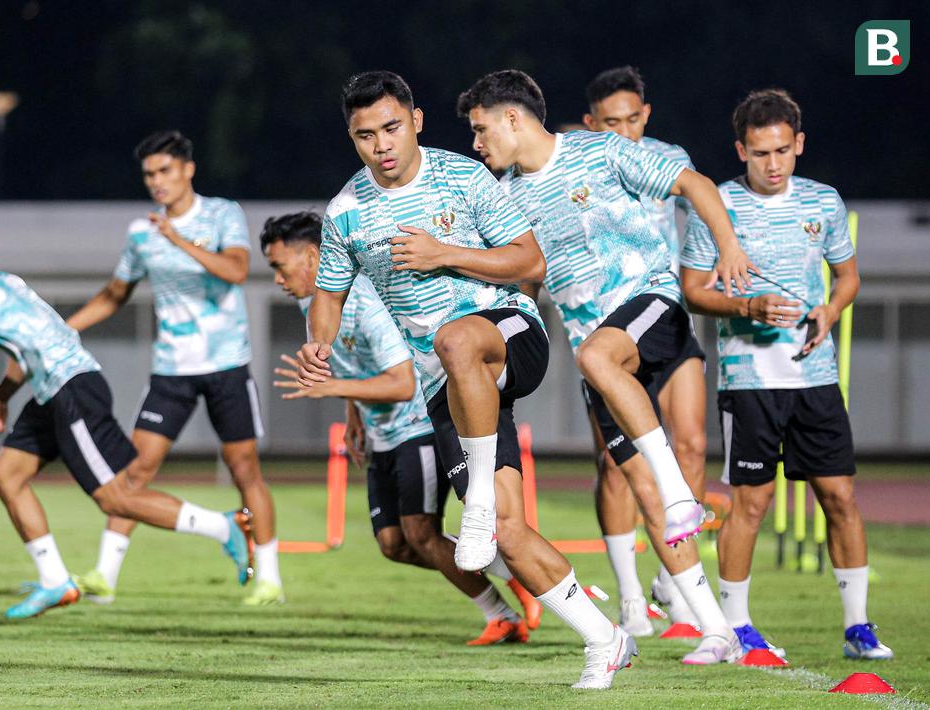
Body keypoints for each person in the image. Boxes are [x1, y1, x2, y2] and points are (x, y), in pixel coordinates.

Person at [298, 70, 635, 689]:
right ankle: (605, 639)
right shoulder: (345, 212)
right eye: (366, 135)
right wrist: (319, 341)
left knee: (454, 339)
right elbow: (329, 295)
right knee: (508, 533)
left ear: (416, 121)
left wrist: (443, 253)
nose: (382, 145)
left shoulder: (464, 176)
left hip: (508, 334)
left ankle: (474, 500)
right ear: (352, 138)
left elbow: (529, 260)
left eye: (391, 128)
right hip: (447, 386)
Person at [456, 68, 752, 664]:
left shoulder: (599, 151)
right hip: (597, 351)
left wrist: (729, 246)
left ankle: (681, 493)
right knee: (638, 486)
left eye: (481, 129)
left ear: (512, 118)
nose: (476, 143)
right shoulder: (504, 196)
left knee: (616, 376)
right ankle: (717, 630)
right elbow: (522, 279)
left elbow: (693, 183)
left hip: (651, 306)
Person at [0, 212, 252, 619]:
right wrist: (2, 398)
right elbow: (30, 340)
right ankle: (54, 581)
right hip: (56, 388)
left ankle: (224, 527)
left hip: (70, 389)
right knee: (7, 476)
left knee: (116, 498)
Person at [681, 88, 892, 660]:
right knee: (751, 504)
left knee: (840, 498)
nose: (772, 164)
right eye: (759, 153)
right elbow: (692, 290)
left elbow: (847, 277)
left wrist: (832, 310)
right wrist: (746, 307)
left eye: (781, 151)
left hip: (816, 379)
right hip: (749, 383)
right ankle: (736, 627)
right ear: (740, 151)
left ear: (798, 143)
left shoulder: (823, 202)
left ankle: (858, 628)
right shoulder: (717, 206)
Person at [263, 211, 540, 645]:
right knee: (394, 544)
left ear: (314, 257)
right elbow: (355, 363)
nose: (277, 280)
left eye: (280, 267)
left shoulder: (364, 302)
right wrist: (352, 412)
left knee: (421, 532)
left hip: (417, 425)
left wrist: (331, 388)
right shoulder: (313, 306)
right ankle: (512, 572)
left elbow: (402, 382)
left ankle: (504, 610)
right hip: (382, 432)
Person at [66, 130, 284, 607]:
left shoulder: (222, 213)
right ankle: (104, 576)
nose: (156, 181)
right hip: (171, 370)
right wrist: (64, 329)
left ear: (188, 169)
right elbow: (114, 294)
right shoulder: (141, 232)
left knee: (244, 468)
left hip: (227, 364)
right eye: (149, 174)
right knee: (135, 469)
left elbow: (236, 270)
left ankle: (270, 579)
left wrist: (178, 239)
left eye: (164, 170)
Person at [580, 66, 708, 635]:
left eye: (633, 119)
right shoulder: (579, 169)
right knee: (616, 465)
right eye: (612, 123)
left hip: (667, 318)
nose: (625, 132)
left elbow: (698, 213)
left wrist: (712, 264)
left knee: (693, 445)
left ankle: (672, 580)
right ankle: (631, 597)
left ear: (646, 116)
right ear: (591, 124)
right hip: (608, 330)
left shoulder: (667, 157)